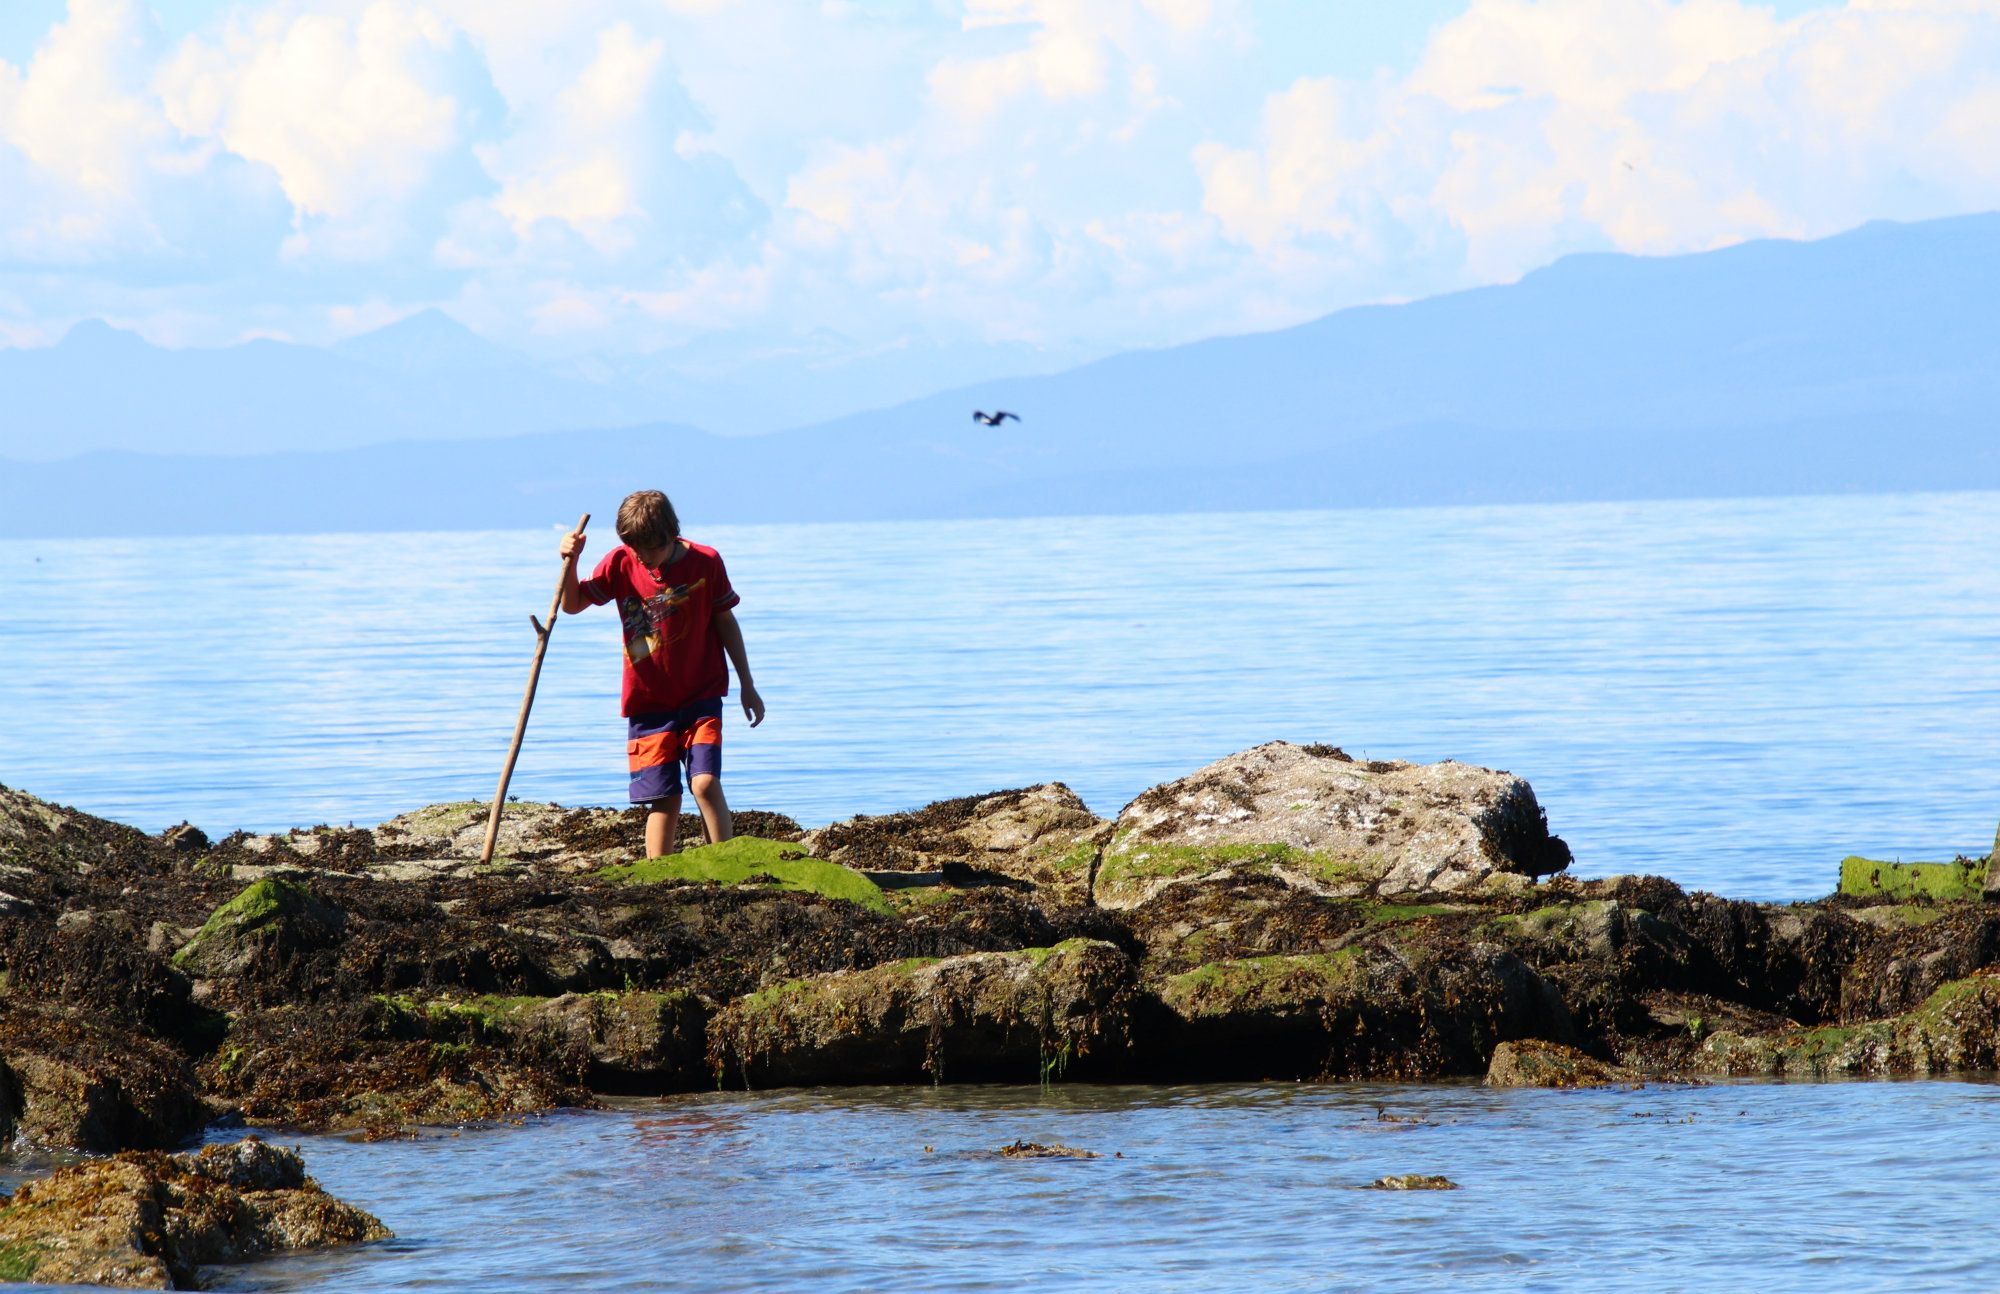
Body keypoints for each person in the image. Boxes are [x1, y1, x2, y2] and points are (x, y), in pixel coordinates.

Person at [558, 489, 765, 858]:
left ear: (672, 534)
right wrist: (570, 562)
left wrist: (747, 684)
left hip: (701, 696)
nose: (642, 557)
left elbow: (726, 622)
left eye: (650, 549)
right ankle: (659, 879)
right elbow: (572, 604)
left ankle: (728, 864)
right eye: (634, 547)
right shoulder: (620, 562)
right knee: (663, 798)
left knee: (704, 783)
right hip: (648, 703)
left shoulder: (706, 562)